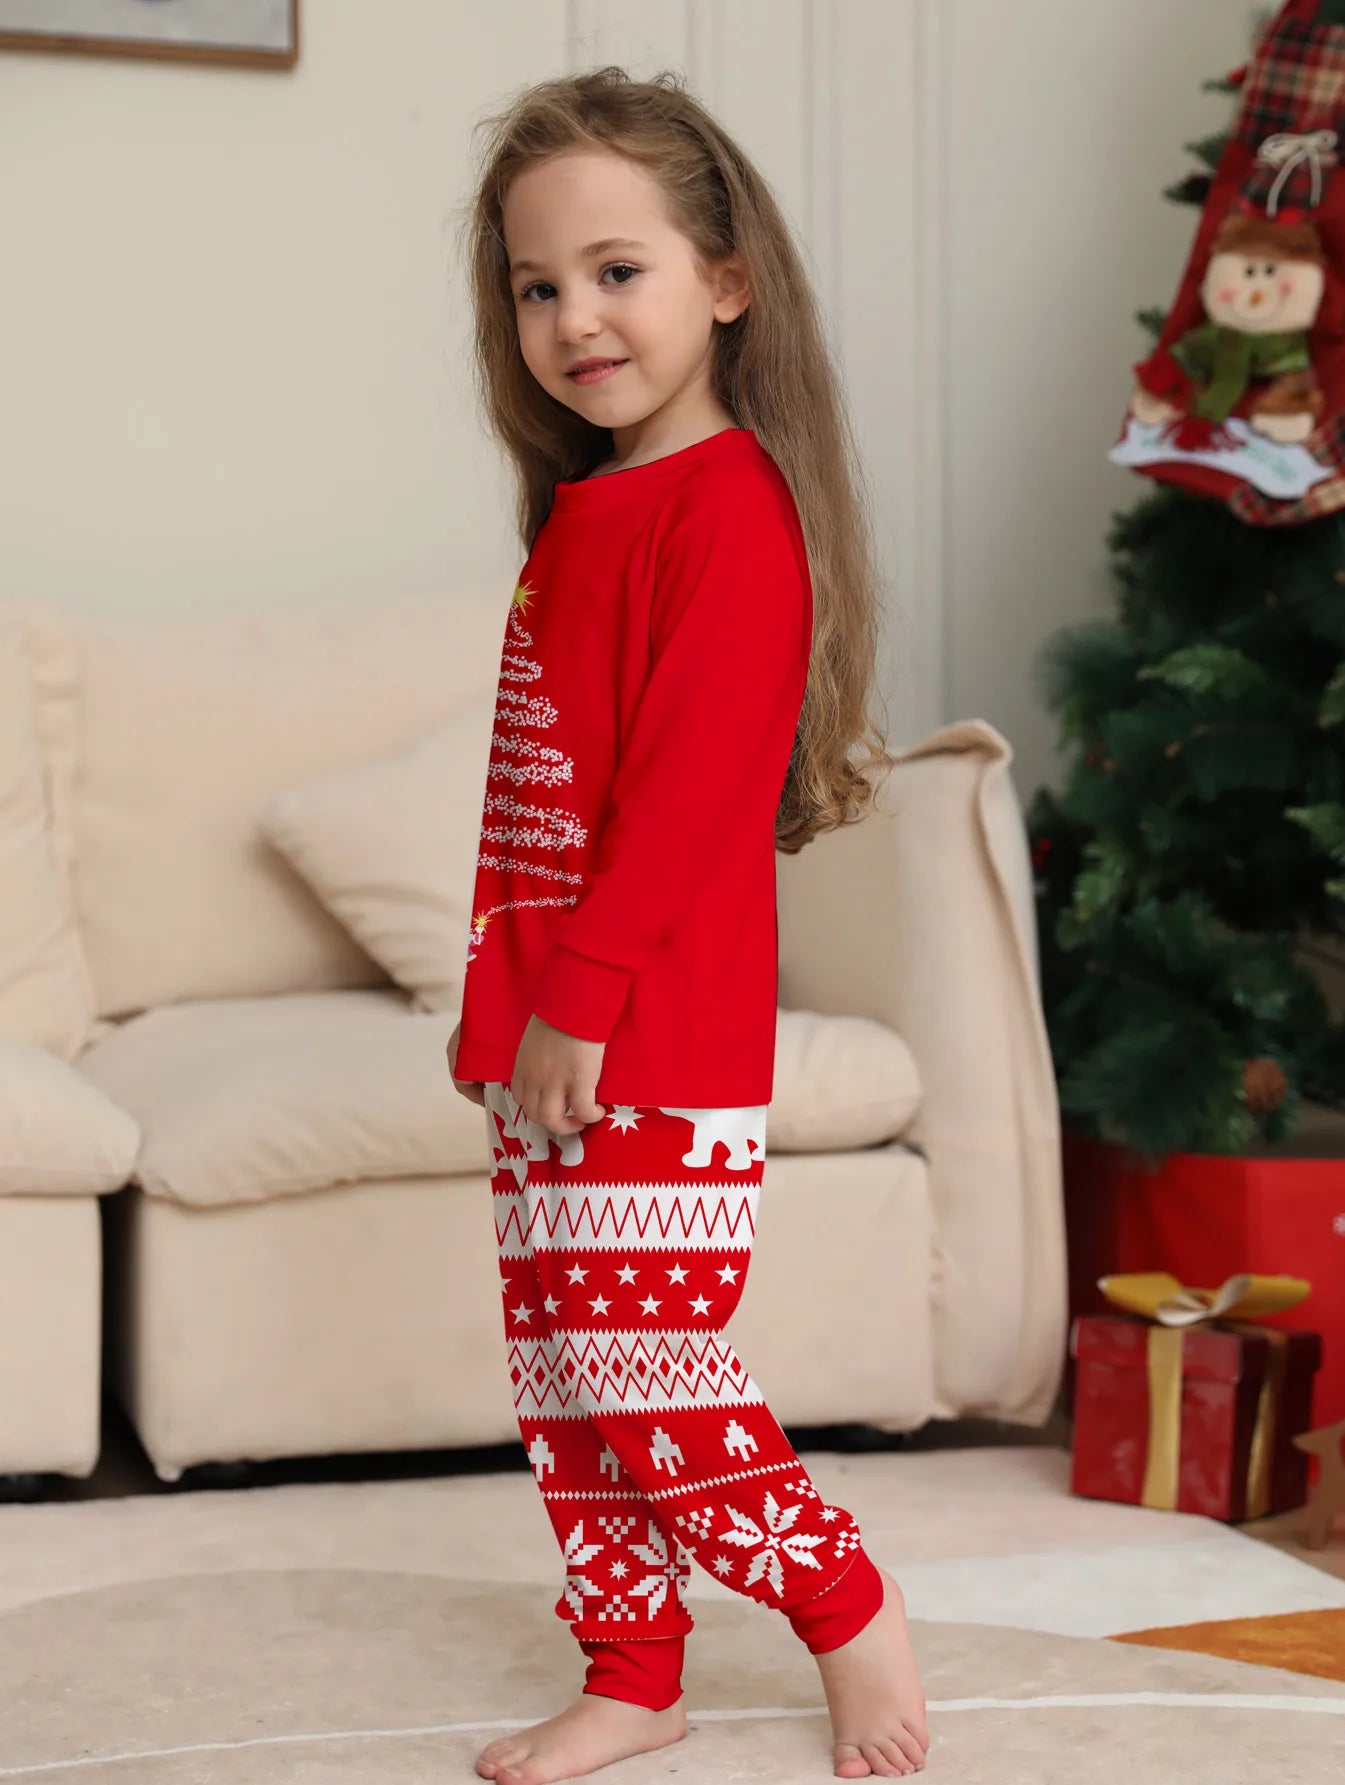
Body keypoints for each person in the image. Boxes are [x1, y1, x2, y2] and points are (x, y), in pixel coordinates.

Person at [443, 64, 928, 1783]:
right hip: (553, 1037)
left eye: (617, 269)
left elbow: (685, 801)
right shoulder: (583, 510)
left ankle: (842, 1609)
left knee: (645, 1364)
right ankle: (632, 1671)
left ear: (726, 279)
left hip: (650, 1031)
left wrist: (572, 1002)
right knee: (566, 1388)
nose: (575, 316)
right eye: (535, 284)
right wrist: (501, 1014)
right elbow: (542, 807)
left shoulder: (730, 514)